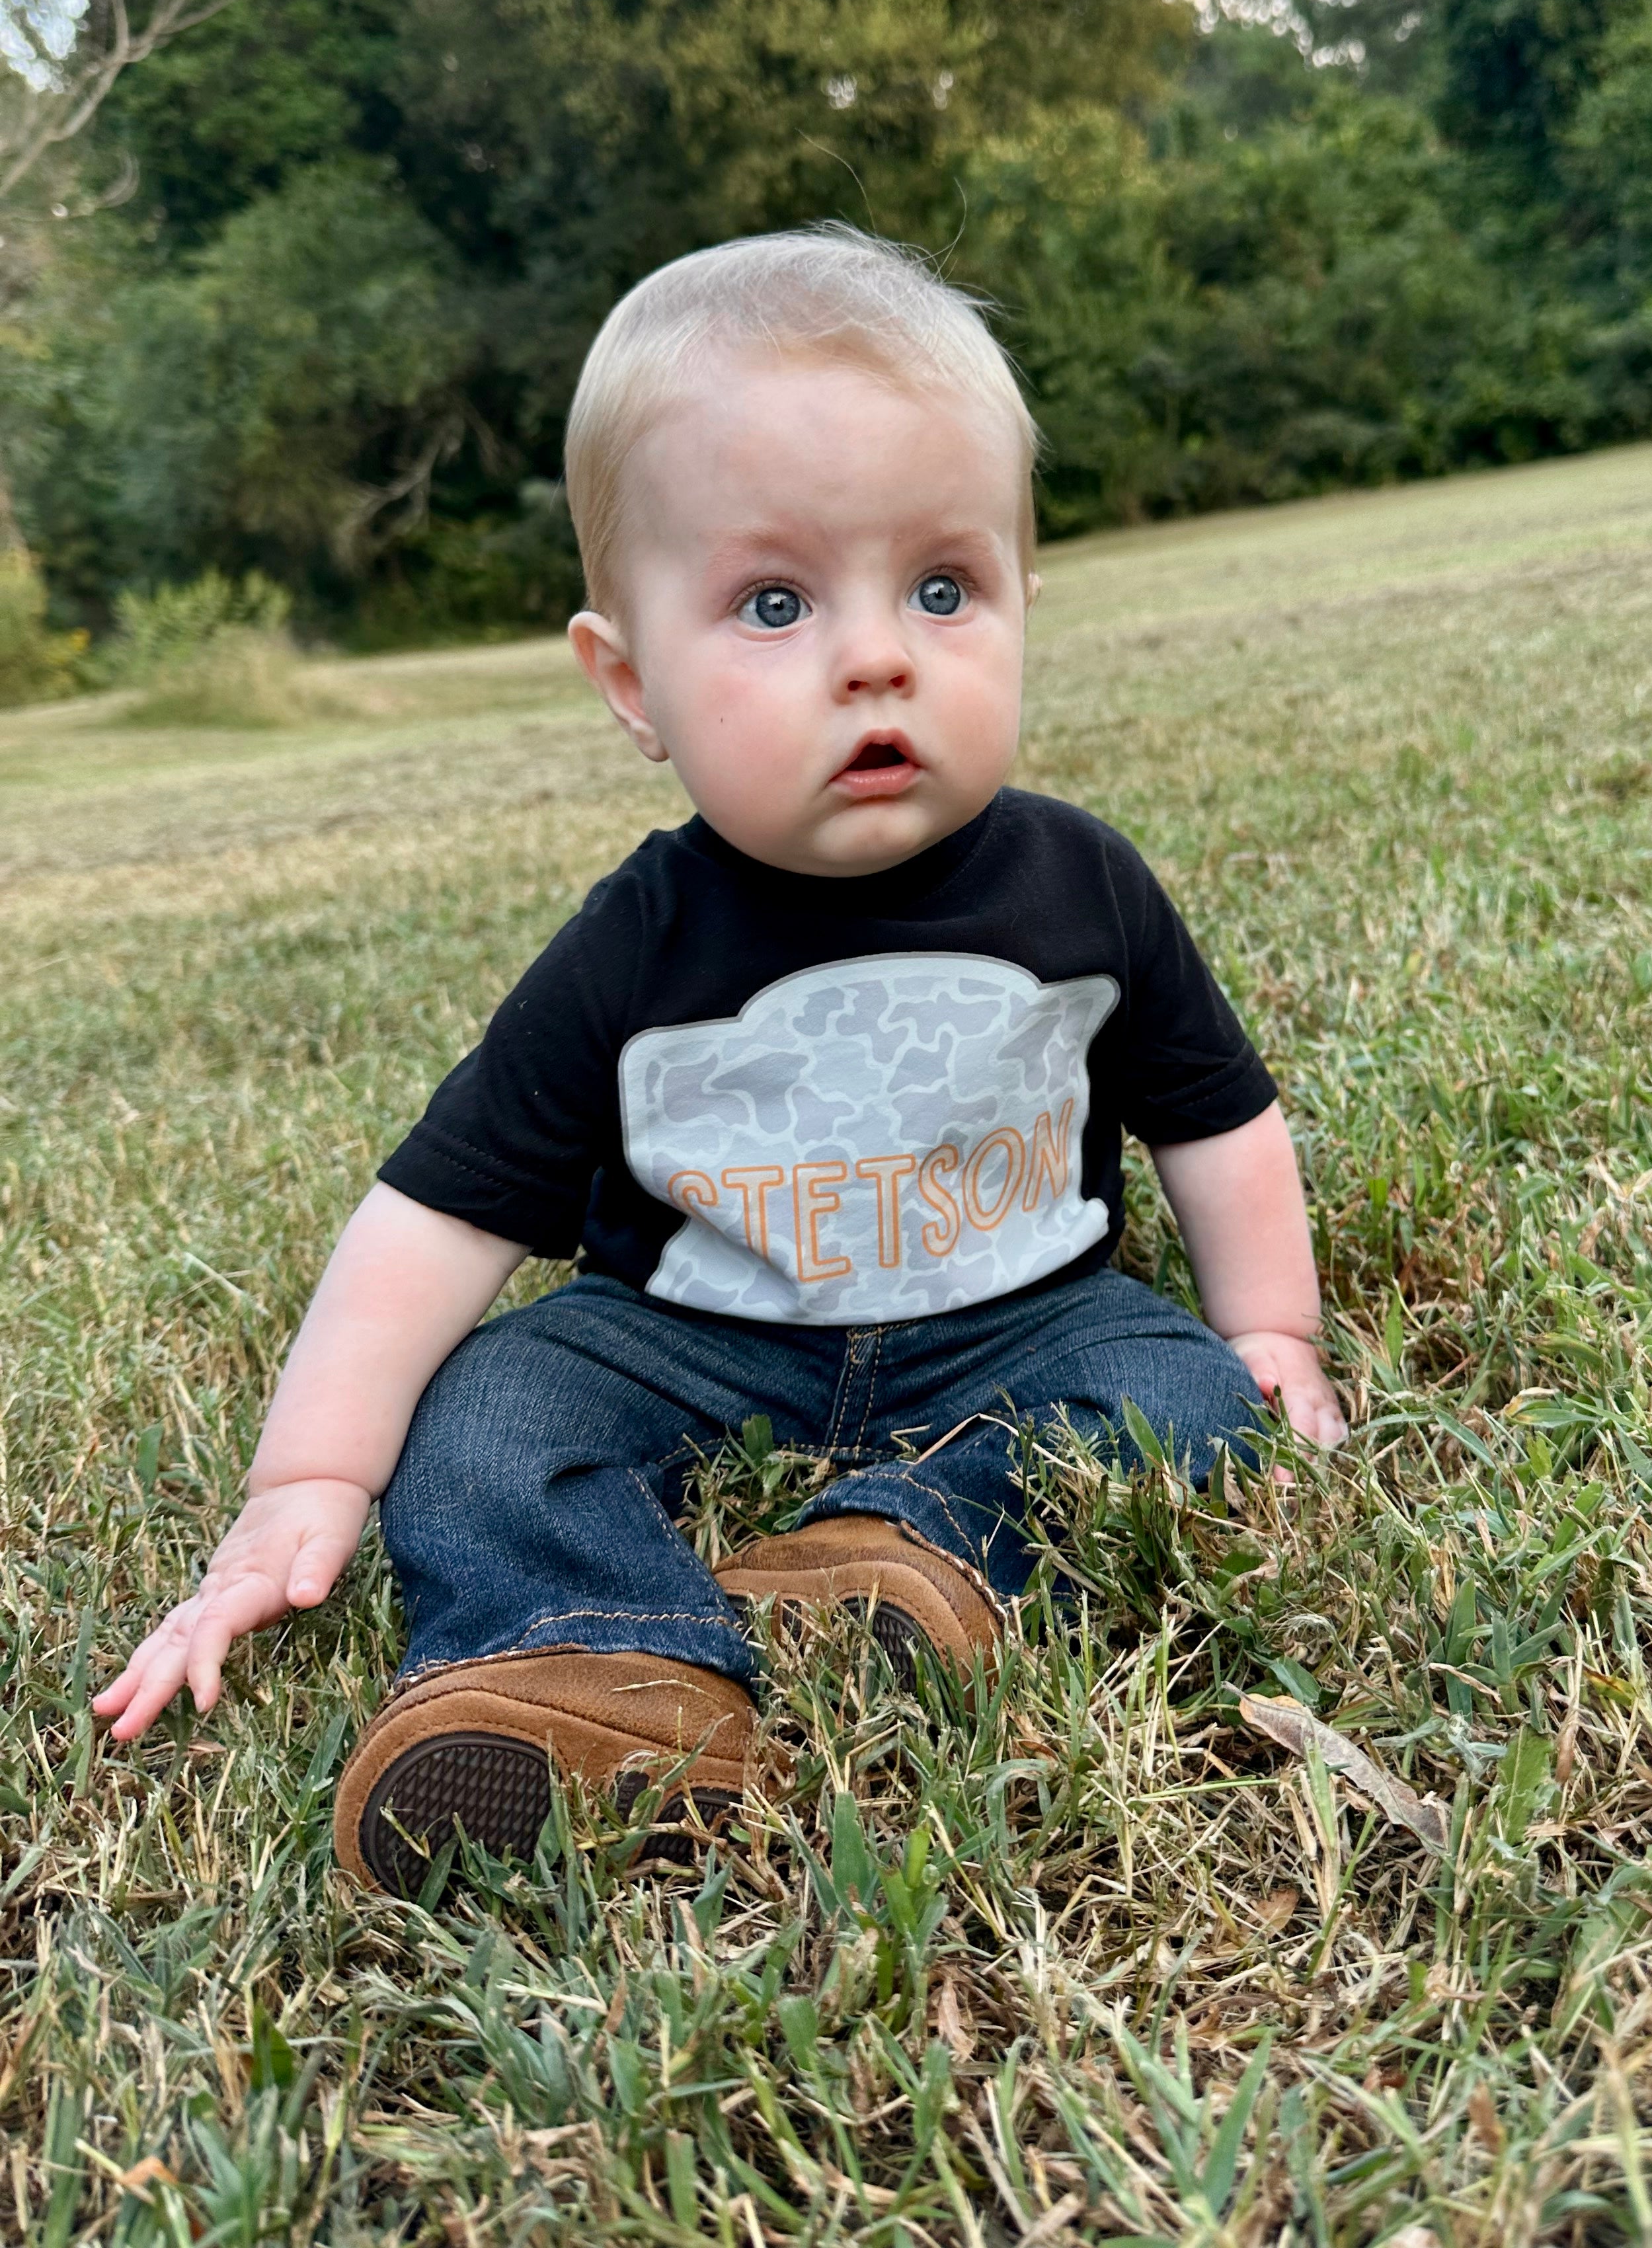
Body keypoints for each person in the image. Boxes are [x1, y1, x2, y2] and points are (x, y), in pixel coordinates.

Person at [95, 229, 1348, 1896]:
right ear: (632, 684)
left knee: (1192, 1396)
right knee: (483, 1411)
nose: (877, 654)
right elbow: (431, 1222)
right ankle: (582, 1662)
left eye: (943, 587)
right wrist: (307, 1474)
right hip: (694, 1339)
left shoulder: (1083, 883)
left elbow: (1220, 1120)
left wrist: (1273, 1329)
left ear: (1024, 606)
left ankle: (907, 1556)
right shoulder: (637, 941)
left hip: (1022, 1317)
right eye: (774, 603)